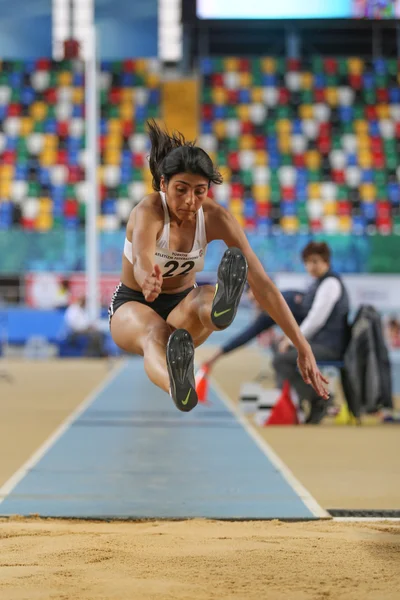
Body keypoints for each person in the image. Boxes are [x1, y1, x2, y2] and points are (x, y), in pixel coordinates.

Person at [108, 119, 328, 412]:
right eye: (181, 190)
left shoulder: (216, 218)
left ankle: (220, 311)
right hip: (134, 304)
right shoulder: (148, 211)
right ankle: (178, 383)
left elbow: (263, 286)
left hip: (183, 307)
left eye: (200, 191)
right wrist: (147, 276)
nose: (190, 200)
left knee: (204, 296)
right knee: (154, 335)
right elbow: (144, 255)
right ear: (163, 185)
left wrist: (302, 346)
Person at [273, 241, 350, 424]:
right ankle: (297, 404)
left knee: (281, 360)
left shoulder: (330, 283)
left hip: (329, 346)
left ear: (326, 262)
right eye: (307, 262)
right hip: (319, 343)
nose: (311, 266)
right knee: (279, 352)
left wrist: (292, 341)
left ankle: (319, 401)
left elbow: (317, 319)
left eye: (316, 261)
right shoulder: (317, 284)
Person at [202, 287, 305, 371]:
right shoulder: (266, 316)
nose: (256, 304)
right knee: (277, 349)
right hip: (302, 339)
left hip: (316, 336)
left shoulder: (288, 298)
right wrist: (214, 358)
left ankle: (304, 391)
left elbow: (312, 318)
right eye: (252, 301)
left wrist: (288, 338)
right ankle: (285, 387)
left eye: (257, 298)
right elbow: (244, 337)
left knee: (280, 359)